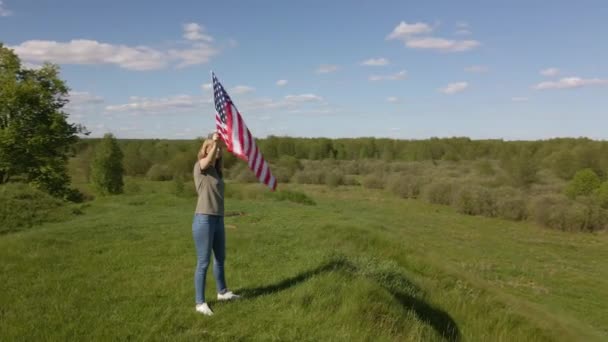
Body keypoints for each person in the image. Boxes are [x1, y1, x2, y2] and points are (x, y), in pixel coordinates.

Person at [192, 132, 239, 315]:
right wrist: (215, 140)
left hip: (218, 219)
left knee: (220, 259)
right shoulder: (200, 167)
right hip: (204, 218)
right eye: (212, 147)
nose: (217, 150)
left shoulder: (217, 172)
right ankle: (200, 303)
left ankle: (223, 292)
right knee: (203, 262)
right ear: (205, 150)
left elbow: (218, 157)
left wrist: (219, 145)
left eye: (218, 148)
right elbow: (206, 160)